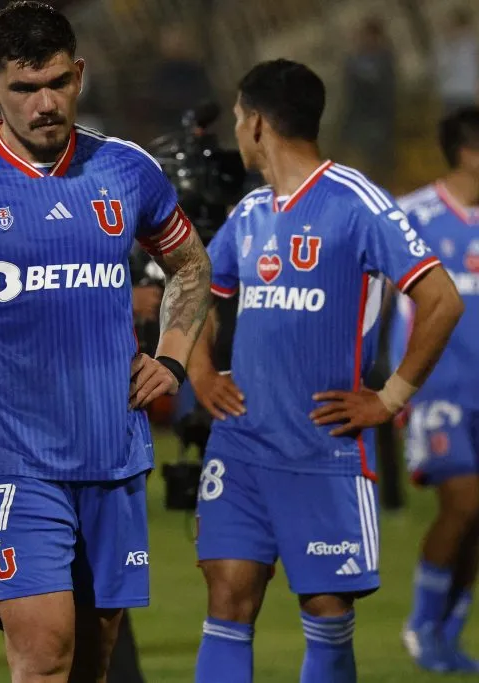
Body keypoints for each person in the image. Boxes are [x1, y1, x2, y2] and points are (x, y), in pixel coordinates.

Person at [0, 3, 213, 681]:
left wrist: (173, 353)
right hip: (11, 461)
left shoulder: (126, 170)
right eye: (25, 88)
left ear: (79, 73)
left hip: (114, 454)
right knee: (42, 647)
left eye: (58, 82)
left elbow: (191, 264)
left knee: (94, 652)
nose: (45, 102)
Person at [189, 58, 464, 683]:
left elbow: (440, 299)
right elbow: (198, 288)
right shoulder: (251, 212)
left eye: (237, 118)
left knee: (327, 613)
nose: (236, 130)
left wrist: (390, 397)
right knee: (228, 598)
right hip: (241, 446)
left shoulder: (356, 201)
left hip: (324, 447)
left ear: (257, 124)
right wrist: (201, 371)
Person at [394, 106, 479, 673]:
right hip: (439, 389)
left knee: (478, 518)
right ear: (470, 152)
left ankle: (448, 632)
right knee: (465, 501)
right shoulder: (412, 216)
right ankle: (421, 625)